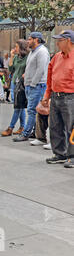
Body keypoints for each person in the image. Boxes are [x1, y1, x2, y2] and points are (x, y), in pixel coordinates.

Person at [41, 30, 74, 168]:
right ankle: (60, 154)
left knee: (71, 128)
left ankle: (72, 156)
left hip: (70, 97)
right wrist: (47, 95)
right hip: (56, 96)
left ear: (68, 41)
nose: (57, 43)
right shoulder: (56, 57)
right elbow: (50, 77)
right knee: (55, 126)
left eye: (60, 40)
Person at [13, 32, 50, 142]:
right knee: (34, 110)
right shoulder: (33, 52)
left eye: (30, 39)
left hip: (37, 86)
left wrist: (33, 83)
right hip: (30, 85)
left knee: (31, 111)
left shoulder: (42, 52)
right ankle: (35, 132)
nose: (28, 41)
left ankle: (26, 133)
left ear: (36, 40)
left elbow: (41, 69)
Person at [2, 40, 29, 137]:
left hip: (22, 84)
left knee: (18, 106)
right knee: (19, 106)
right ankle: (22, 126)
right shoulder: (17, 57)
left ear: (22, 48)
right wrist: (12, 56)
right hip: (14, 82)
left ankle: (11, 127)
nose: (14, 48)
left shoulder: (27, 58)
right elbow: (10, 69)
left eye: (16, 47)